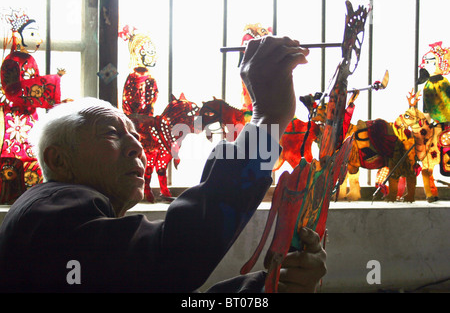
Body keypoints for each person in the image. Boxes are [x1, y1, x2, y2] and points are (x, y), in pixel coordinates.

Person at [0, 36, 326, 292]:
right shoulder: (50, 209)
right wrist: (265, 120)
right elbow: (175, 258)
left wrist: (271, 286)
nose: (136, 147)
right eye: (112, 134)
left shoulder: (75, 225)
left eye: (134, 135)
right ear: (59, 160)